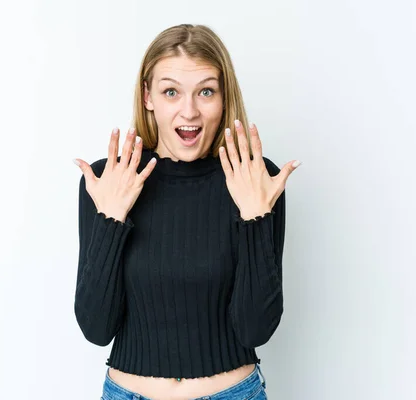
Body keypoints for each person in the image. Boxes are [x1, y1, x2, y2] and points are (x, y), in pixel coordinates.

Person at [72, 24, 300, 400]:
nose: (189, 110)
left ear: (224, 97)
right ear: (149, 97)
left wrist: (255, 217)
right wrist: (112, 218)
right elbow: (97, 328)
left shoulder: (255, 178)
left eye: (206, 91)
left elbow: (255, 330)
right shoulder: (108, 179)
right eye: (171, 92)